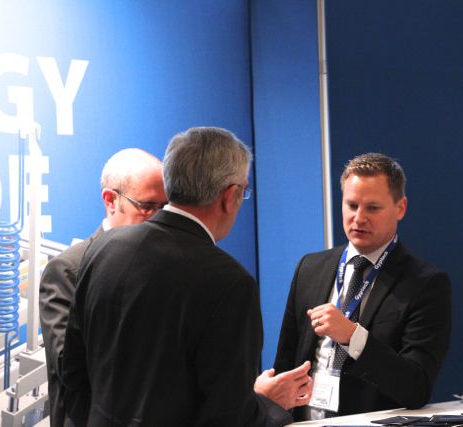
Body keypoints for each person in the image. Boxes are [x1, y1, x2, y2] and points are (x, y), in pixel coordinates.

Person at [61, 127, 312, 426]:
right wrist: (270, 405)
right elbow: (228, 415)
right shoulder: (229, 282)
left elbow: (72, 371)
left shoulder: (102, 248)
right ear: (229, 196)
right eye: (243, 192)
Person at [274, 153, 452, 420]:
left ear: (400, 208)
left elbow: (417, 387)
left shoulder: (425, 284)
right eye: (352, 205)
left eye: (373, 208)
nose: (358, 218)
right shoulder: (309, 268)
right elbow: (285, 362)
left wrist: (352, 337)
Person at [39, 148, 167, 427]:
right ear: (110, 200)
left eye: (164, 207)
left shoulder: (167, 266)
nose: (158, 217)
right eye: (147, 206)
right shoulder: (68, 270)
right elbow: (71, 368)